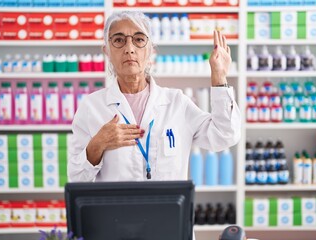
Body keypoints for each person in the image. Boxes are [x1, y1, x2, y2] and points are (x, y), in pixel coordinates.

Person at [68, 11, 241, 183]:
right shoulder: (92, 107)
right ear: (107, 50)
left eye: (139, 39)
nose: (129, 49)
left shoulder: (177, 103)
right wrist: (97, 145)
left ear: (150, 49)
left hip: (168, 209)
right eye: (119, 40)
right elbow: (76, 179)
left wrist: (219, 77)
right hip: (117, 210)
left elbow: (225, 136)